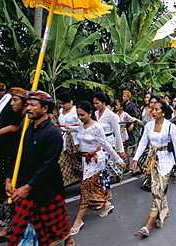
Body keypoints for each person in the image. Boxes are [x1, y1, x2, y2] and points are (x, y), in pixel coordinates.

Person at [5, 90, 76, 246]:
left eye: (32, 105)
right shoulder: (27, 129)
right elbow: (19, 156)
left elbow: (48, 165)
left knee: (59, 230)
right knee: (18, 233)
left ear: (44, 109)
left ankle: (70, 243)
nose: (28, 108)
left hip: (47, 190)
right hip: (27, 190)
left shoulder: (53, 133)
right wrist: (9, 178)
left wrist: (28, 187)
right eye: (28, 104)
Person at [69, 101, 123, 235]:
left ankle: (78, 220)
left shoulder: (97, 128)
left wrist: (119, 160)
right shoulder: (81, 125)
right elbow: (75, 129)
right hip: (85, 161)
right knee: (95, 186)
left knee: (85, 188)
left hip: (96, 160)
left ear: (90, 113)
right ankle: (106, 205)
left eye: (82, 115)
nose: (80, 118)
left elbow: (106, 146)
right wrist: (66, 127)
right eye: (78, 115)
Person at [131, 100, 176, 237]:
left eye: (157, 109)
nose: (153, 111)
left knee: (159, 189)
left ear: (163, 112)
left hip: (166, 162)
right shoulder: (148, 126)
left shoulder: (171, 127)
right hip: (152, 162)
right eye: (152, 109)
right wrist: (135, 159)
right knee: (156, 189)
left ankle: (148, 225)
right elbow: (143, 143)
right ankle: (164, 208)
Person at [0, 87, 27, 244]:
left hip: (25, 165)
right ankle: (11, 227)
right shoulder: (23, 118)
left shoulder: (30, 123)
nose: (12, 103)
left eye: (15, 100)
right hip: (13, 159)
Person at [92, 92, 125, 197]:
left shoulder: (112, 116)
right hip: (98, 143)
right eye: (94, 103)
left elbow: (117, 133)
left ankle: (107, 189)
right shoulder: (95, 114)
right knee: (102, 164)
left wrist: (121, 150)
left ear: (103, 102)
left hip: (108, 142)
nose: (95, 106)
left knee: (104, 165)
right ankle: (117, 172)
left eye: (97, 103)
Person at [58, 92, 81, 186]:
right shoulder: (60, 111)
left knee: (77, 161)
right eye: (60, 103)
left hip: (75, 140)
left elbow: (81, 124)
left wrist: (70, 128)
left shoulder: (76, 110)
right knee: (62, 161)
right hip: (64, 139)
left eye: (63, 103)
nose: (62, 106)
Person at [113, 100, 138, 171]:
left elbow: (133, 119)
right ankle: (120, 165)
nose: (116, 107)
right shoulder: (115, 114)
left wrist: (132, 124)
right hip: (117, 133)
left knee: (124, 150)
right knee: (117, 150)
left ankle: (127, 165)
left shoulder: (125, 114)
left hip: (123, 133)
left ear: (121, 107)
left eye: (117, 105)